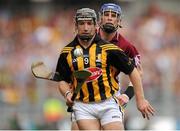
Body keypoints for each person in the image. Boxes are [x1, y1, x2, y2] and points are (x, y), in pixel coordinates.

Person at [55, 8, 154, 130]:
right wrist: (68, 94)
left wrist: (139, 99)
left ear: (96, 25)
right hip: (83, 105)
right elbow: (62, 80)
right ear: (75, 25)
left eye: (89, 23)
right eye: (81, 23)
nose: (86, 28)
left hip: (108, 102)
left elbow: (134, 71)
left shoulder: (110, 48)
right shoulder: (66, 52)